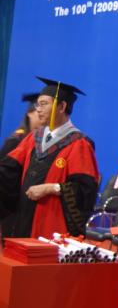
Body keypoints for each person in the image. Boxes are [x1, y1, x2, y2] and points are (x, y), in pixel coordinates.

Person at [0, 77, 99, 238]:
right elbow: (9, 171)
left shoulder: (79, 143)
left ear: (62, 106)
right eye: (37, 104)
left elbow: (85, 190)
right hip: (24, 219)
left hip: (52, 225)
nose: (38, 109)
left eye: (44, 104)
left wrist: (51, 188)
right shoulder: (33, 138)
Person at [0, 93, 46, 238]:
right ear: (29, 114)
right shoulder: (16, 141)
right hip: (13, 204)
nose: (42, 117)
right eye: (38, 112)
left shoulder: (43, 143)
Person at [0, 93, 45, 158]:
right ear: (30, 113)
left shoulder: (44, 140)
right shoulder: (16, 140)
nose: (45, 117)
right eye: (40, 113)